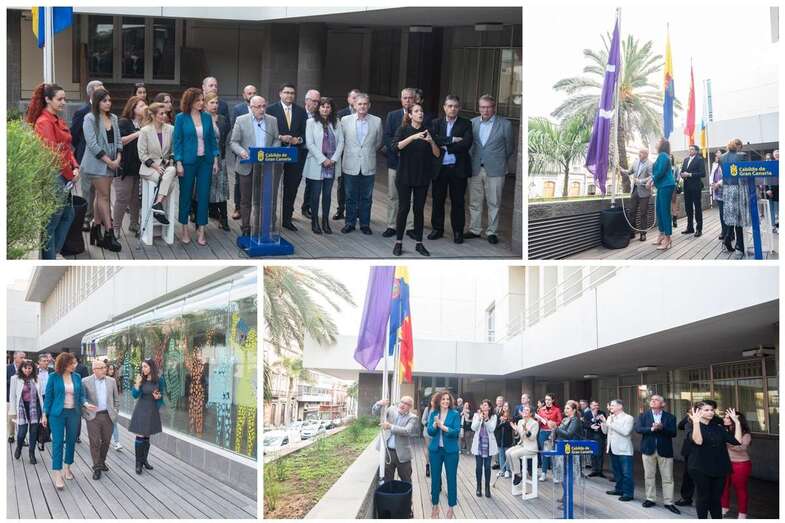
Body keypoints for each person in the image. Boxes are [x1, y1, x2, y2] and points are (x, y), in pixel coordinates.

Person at [26, 84, 79, 259]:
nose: (64, 102)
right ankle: (50, 257)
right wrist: (71, 174)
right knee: (52, 221)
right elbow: (53, 153)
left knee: (67, 214)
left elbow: (67, 148)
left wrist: (76, 166)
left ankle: (53, 252)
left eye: (65, 98)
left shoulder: (57, 119)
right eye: (60, 99)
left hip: (64, 174)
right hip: (55, 175)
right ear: (48, 99)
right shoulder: (44, 122)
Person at [391, 104, 441, 256]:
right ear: (411, 115)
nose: (420, 113)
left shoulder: (428, 131)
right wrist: (413, 137)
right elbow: (395, 147)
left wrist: (431, 141)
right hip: (405, 176)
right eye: (417, 111)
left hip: (422, 177)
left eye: (421, 111)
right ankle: (398, 242)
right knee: (404, 209)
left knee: (418, 210)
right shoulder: (403, 129)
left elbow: (437, 154)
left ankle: (419, 243)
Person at [173, 87, 220, 246]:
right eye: (198, 100)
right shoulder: (181, 118)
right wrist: (178, 162)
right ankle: (184, 229)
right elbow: (177, 142)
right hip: (187, 162)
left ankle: (201, 230)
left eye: (202, 100)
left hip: (205, 161)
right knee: (185, 196)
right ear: (190, 101)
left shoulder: (207, 117)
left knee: (203, 196)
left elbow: (212, 140)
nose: (201, 103)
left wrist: (215, 159)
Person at [42, 352, 96, 489]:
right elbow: (48, 397)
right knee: (58, 443)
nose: (74, 365)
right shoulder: (53, 377)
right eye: (72, 363)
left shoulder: (77, 377)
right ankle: (57, 474)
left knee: (71, 441)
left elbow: (81, 395)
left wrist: (85, 404)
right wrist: (44, 414)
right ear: (65, 364)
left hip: (74, 413)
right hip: (57, 415)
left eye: (74, 363)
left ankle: (67, 468)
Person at [229, 95, 281, 237]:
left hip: (267, 168)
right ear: (251, 107)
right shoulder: (241, 120)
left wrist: (272, 151)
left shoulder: (272, 120)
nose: (262, 109)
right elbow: (234, 142)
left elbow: (276, 139)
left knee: (264, 199)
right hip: (247, 166)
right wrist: (242, 152)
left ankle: (263, 227)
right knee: (246, 200)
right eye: (258, 107)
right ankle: (246, 228)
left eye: (264, 106)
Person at [467, 94, 515, 245]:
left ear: (494, 108)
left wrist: (497, 160)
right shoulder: (472, 123)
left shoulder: (505, 124)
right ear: (478, 108)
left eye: (488, 107)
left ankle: (492, 232)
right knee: (474, 201)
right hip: (475, 168)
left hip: (495, 169)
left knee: (494, 202)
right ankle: (475, 230)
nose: (485, 110)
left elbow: (509, 148)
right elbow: (470, 145)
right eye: (482, 107)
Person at [81, 87, 123, 252]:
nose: (108, 103)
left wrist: (118, 158)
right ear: (97, 102)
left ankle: (95, 230)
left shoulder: (113, 117)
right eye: (105, 100)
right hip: (95, 164)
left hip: (112, 162)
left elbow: (118, 140)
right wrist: (109, 161)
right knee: (105, 197)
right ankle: (109, 233)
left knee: (100, 196)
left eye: (109, 100)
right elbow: (92, 144)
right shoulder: (89, 118)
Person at [429, 95, 473, 244]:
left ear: (459, 108)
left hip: (458, 169)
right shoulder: (435, 123)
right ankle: (437, 229)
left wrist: (444, 144)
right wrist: (452, 140)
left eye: (455, 106)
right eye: (449, 106)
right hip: (439, 169)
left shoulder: (466, 124)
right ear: (444, 107)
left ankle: (458, 232)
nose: (452, 108)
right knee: (437, 200)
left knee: (458, 202)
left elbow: (466, 144)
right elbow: (433, 139)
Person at [687, 403, 743, 519]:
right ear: (698, 412)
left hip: (720, 468)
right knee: (703, 497)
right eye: (706, 410)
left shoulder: (718, 427)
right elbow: (698, 441)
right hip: (700, 468)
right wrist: (696, 422)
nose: (710, 412)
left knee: (716, 499)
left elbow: (737, 441)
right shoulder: (691, 426)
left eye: (712, 410)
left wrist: (737, 422)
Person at [340, 93, 383, 234]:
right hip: (350, 163)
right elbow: (342, 141)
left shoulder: (377, 121)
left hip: (368, 163)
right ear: (354, 105)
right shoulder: (345, 120)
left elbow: (378, 142)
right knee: (350, 195)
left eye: (365, 104)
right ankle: (350, 223)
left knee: (366, 197)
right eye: (360, 104)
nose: (362, 106)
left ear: (369, 105)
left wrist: (366, 152)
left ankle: (365, 224)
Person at [266, 83, 308, 231]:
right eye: (286, 92)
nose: (289, 95)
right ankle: (270, 220)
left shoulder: (301, 112)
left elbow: (305, 133)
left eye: (292, 93)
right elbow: (267, 131)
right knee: (272, 187)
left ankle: (287, 219)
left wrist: (299, 140)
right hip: (276, 154)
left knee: (291, 188)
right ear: (280, 94)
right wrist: (280, 137)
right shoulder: (270, 110)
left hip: (295, 154)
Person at [304, 97, 344, 235]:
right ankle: (314, 222)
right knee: (315, 195)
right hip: (317, 163)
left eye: (328, 107)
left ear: (331, 109)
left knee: (327, 195)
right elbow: (310, 143)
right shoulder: (311, 122)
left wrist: (333, 160)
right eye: (322, 106)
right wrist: (323, 159)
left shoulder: (337, 122)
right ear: (318, 108)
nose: (325, 109)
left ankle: (325, 222)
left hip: (332, 164)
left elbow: (341, 143)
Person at [634, 395, 680, 513]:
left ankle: (669, 502)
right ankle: (650, 499)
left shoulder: (670, 417)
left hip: (665, 450)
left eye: (656, 400)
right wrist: (651, 429)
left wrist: (662, 428)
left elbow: (673, 433)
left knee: (668, 478)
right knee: (649, 476)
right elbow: (638, 429)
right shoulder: (643, 416)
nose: (653, 401)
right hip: (648, 450)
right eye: (652, 400)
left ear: (663, 404)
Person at [382, 88, 417, 239]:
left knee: (410, 197)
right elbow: (387, 136)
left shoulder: (421, 115)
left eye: (410, 98)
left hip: (414, 164)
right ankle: (392, 225)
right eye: (405, 98)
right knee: (393, 195)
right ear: (401, 99)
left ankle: (409, 227)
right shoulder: (392, 115)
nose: (408, 100)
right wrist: (397, 149)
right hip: (395, 161)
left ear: (415, 99)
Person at [138, 102, 177, 227]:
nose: (164, 115)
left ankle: (158, 203)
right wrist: (156, 166)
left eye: (165, 113)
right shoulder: (145, 131)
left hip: (165, 166)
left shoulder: (171, 129)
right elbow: (142, 154)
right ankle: (158, 208)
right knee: (170, 182)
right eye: (161, 113)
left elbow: (174, 150)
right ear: (153, 115)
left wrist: (168, 162)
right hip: (149, 168)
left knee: (171, 171)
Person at [71, 80, 103, 230]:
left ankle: (100, 216)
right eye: (99, 90)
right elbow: (75, 134)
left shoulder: (106, 111)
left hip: (103, 158)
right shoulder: (82, 111)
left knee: (102, 189)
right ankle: (85, 217)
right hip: (86, 156)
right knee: (87, 189)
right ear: (90, 93)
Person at [81, 359, 119, 480]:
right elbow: (82, 398)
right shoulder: (85, 381)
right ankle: (97, 467)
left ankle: (102, 461)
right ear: (94, 370)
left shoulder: (112, 381)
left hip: (108, 416)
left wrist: (116, 411)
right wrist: (86, 411)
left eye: (105, 367)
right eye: (102, 368)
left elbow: (116, 399)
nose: (105, 370)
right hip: (93, 416)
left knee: (106, 441)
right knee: (95, 442)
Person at [114, 95, 146, 236]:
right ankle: (115, 228)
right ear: (133, 108)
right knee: (122, 197)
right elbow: (120, 140)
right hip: (124, 166)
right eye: (140, 106)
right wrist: (138, 134)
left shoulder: (145, 123)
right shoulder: (124, 122)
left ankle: (134, 224)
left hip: (138, 166)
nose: (144, 107)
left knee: (135, 199)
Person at [427, 390, 461, 519]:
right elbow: (430, 432)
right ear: (438, 401)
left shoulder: (455, 414)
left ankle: (451, 506)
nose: (446, 401)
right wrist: (435, 425)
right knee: (435, 479)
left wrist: (443, 427)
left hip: (451, 452)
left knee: (451, 479)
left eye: (447, 399)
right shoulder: (433, 413)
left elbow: (456, 432)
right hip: (435, 451)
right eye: (443, 399)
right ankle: (435, 505)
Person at [128, 358, 165, 474]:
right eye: (142, 366)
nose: (143, 369)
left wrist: (159, 397)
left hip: (152, 410)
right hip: (141, 410)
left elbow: (161, 395)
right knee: (140, 435)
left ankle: (144, 461)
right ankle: (138, 464)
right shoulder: (141, 379)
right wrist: (137, 385)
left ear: (151, 367)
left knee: (147, 436)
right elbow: (134, 395)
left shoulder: (159, 380)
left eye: (145, 366)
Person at [372, 396, 419, 482]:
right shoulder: (391, 409)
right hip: (388, 451)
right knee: (387, 479)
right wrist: (379, 404)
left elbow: (407, 431)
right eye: (402, 402)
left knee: (406, 480)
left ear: (410, 407)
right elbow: (375, 413)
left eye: (407, 404)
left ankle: (406, 495)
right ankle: (389, 495)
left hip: (402, 454)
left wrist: (390, 426)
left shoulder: (412, 417)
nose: (403, 405)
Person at [229, 84, 258, 220]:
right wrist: (239, 152)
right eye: (249, 93)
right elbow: (234, 133)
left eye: (254, 92)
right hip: (242, 153)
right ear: (244, 95)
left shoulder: (262, 109)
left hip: (258, 154)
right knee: (239, 182)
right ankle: (238, 207)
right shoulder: (238, 109)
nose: (251, 95)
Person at [204, 91, 232, 231]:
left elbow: (224, 138)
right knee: (203, 189)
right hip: (204, 158)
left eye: (217, 103)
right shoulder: (201, 118)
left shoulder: (222, 119)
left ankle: (224, 219)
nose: (215, 105)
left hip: (220, 157)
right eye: (212, 103)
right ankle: (200, 218)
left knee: (221, 189)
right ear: (205, 104)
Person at [9, 359, 45, 464]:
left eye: (30, 368)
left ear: (33, 368)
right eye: (25, 368)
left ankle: (31, 454)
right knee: (21, 433)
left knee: (33, 432)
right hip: (22, 407)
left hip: (34, 407)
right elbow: (12, 396)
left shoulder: (37, 379)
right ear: (21, 368)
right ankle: (19, 447)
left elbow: (40, 396)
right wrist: (13, 411)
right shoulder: (15, 378)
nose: (27, 370)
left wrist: (43, 412)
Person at [601, 399, 634, 502]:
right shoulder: (610, 417)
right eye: (610, 405)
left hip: (624, 450)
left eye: (613, 405)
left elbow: (625, 432)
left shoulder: (628, 418)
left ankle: (628, 493)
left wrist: (609, 424)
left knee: (627, 473)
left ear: (620, 406)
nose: (610, 407)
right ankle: (619, 489)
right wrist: (603, 423)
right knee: (617, 472)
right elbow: (605, 432)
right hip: (612, 448)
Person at [334, 88, 360, 220]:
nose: (355, 100)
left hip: (359, 156)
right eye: (353, 97)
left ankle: (357, 210)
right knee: (342, 183)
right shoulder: (341, 114)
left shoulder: (364, 114)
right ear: (348, 99)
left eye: (358, 97)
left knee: (358, 184)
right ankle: (341, 209)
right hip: (344, 154)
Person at [720, 411, 752, 518]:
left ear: (736, 420)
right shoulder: (723, 430)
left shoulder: (745, 434)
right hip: (725, 463)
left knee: (740, 489)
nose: (724, 419)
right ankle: (724, 508)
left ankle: (742, 513)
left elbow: (740, 448)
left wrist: (725, 441)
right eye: (724, 417)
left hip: (740, 464)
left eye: (728, 418)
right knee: (723, 487)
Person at [720, 139, 749, 255]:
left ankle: (727, 238)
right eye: (741, 147)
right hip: (738, 188)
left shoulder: (721, 157)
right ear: (738, 146)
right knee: (739, 218)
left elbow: (724, 174)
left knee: (730, 216)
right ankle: (739, 247)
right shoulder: (742, 156)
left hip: (727, 189)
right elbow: (746, 172)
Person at [552, 400, 583, 500]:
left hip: (570, 450)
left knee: (568, 474)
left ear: (574, 410)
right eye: (565, 408)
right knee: (562, 473)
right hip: (562, 448)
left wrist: (555, 428)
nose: (565, 410)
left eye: (568, 408)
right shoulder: (565, 419)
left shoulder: (575, 420)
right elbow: (561, 432)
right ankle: (565, 495)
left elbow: (569, 434)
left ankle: (568, 498)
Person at [621, 148, 653, 241]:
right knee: (631, 211)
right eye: (639, 152)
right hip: (634, 190)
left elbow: (652, 176)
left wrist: (641, 181)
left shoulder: (650, 164)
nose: (639, 154)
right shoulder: (635, 162)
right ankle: (632, 232)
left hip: (644, 192)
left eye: (642, 153)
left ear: (646, 154)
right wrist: (622, 170)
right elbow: (630, 171)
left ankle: (643, 234)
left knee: (643, 213)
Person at [650, 138, 675, 250]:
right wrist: (652, 180)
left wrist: (651, 180)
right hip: (662, 186)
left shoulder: (664, 156)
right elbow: (657, 172)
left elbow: (660, 172)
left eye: (658, 142)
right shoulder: (662, 155)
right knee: (659, 210)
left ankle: (668, 238)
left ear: (662, 145)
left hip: (666, 186)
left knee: (664, 212)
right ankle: (661, 235)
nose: (656, 143)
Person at [300, 89, 322, 218]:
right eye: (313, 101)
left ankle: (306, 207)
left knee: (312, 182)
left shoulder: (320, 115)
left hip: (314, 155)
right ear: (306, 101)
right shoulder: (299, 113)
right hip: (300, 152)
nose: (316, 104)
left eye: (317, 101)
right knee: (294, 182)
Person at [471, 399, 498, 498]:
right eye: (482, 405)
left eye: (486, 405)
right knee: (478, 467)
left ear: (489, 407)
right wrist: (479, 419)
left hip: (488, 445)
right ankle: (478, 487)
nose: (484, 406)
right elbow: (473, 428)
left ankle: (487, 488)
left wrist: (486, 420)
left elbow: (491, 429)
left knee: (487, 467)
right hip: (478, 445)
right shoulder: (476, 415)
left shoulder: (494, 417)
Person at [507, 404, 539, 486]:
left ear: (531, 413)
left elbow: (532, 438)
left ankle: (518, 475)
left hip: (531, 447)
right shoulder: (520, 421)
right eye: (524, 410)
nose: (524, 411)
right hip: (522, 445)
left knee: (514, 454)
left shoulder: (535, 423)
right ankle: (515, 472)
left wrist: (526, 430)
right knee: (507, 452)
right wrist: (516, 430)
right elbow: (519, 436)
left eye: (527, 410)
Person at [681, 144, 707, 237]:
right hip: (686, 187)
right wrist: (682, 174)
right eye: (689, 149)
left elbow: (703, 174)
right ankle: (690, 227)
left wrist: (690, 174)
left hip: (696, 187)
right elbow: (682, 171)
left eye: (692, 149)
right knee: (688, 208)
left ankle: (699, 229)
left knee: (697, 208)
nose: (690, 151)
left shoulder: (699, 160)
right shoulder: (685, 160)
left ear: (696, 151)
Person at [535, 393, 562, 480]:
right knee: (544, 453)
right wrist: (538, 420)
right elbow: (537, 423)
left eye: (549, 399)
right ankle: (543, 473)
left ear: (553, 400)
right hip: (543, 432)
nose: (547, 401)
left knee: (553, 453)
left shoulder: (557, 410)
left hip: (552, 432)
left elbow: (560, 422)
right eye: (546, 399)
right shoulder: (541, 410)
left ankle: (555, 475)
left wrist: (552, 423)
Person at [584, 400, 607, 478]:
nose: (596, 407)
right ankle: (594, 470)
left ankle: (600, 471)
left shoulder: (602, 413)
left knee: (600, 453)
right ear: (590, 406)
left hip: (600, 435)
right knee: (593, 453)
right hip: (591, 435)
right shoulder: (587, 413)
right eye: (594, 405)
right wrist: (591, 426)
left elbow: (605, 423)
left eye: (597, 405)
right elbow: (584, 424)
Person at [7, 352, 26, 444]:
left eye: (24, 357)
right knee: (11, 418)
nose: (24, 359)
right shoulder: (7, 368)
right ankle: (11, 435)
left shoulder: (26, 368)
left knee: (22, 419)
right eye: (21, 357)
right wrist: (14, 381)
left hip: (23, 399)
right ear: (15, 358)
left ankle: (21, 437)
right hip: (9, 398)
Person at [709, 150, 727, 240]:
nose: (717, 155)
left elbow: (726, 176)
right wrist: (712, 184)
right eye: (716, 154)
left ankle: (729, 233)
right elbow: (711, 176)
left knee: (727, 212)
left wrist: (718, 184)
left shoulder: (726, 163)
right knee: (721, 212)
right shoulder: (715, 165)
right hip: (717, 191)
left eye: (719, 153)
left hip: (726, 190)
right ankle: (723, 231)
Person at [495, 402, 515, 478]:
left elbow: (510, 428)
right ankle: (502, 470)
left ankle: (507, 470)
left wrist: (505, 421)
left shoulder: (511, 417)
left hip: (507, 439)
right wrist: (501, 422)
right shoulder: (498, 416)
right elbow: (496, 427)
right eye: (504, 406)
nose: (505, 407)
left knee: (507, 455)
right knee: (501, 455)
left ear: (509, 408)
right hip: (500, 439)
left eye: (507, 406)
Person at [105, 364, 122, 450]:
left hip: (112, 407)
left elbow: (116, 396)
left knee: (114, 424)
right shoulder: (102, 380)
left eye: (113, 370)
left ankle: (116, 442)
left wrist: (116, 408)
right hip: (103, 407)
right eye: (110, 369)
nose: (112, 371)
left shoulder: (114, 380)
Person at [421, 400, 433, 477]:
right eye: (432, 401)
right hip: (428, 432)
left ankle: (434, 467)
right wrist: (429, 425)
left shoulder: (440, 409)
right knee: (429, 449)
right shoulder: (427, 409)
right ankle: (427, 466)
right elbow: (423, 420)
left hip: (437, 433)